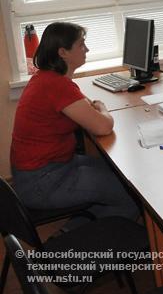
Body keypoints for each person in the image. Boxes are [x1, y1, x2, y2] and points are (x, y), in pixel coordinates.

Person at [10, 22, 140, 225]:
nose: (86, 49)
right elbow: (103, 126)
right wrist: (104, 110)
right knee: (132, 192)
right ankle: (88, 245)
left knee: (119, 174)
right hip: (43, 181)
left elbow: (87, 107)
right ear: (63, 52)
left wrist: (97, 111)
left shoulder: (48, 78)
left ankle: (75, 229)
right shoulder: (56, 84)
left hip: (47, 170)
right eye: (81, 45)